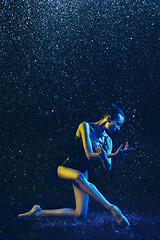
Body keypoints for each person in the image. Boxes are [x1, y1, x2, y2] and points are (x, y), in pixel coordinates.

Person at [18, 104, 133, 227]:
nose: (119, 128)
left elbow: (108, 167)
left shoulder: (107, 141)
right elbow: (89, 154)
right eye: (118, 124)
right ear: (109, 118)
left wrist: (106, 157)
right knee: (78, 175)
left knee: (79, 214)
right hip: (65, 168)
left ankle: (38, 213)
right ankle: (111, 208)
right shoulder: (85, 127)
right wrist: (113, 155)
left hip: (82, 173)